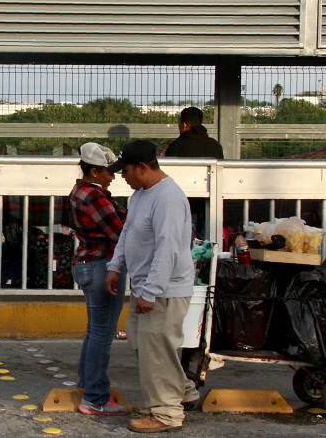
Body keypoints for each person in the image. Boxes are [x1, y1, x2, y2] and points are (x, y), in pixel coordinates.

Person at [105, 140, 198, 433]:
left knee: (156, 351)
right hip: (147, 287)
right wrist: (115, 266)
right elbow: (128, 233)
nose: (122, 176)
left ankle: (166, 412)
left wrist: (151, 291)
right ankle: (182, 391)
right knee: (142, 343)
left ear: (143, 168)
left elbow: (167, 248)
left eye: (127, 171)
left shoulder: (167, 198)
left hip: (163, 291)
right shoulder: (141, 195)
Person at [69, 142, 129, 416]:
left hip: (87, 263)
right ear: (94, 171)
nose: (113, 176)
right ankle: (94, 397)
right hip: (101, 264)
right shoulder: (96, 197)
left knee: (95, 331)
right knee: (102, 334)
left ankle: (87, 387)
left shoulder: (81, 191)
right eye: (108, 171)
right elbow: (120, 232)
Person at [164, 106, 224, 239]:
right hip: (209, 203)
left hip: (184, 202)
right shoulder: (214, 145)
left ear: (184, 125)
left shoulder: (177, 146)